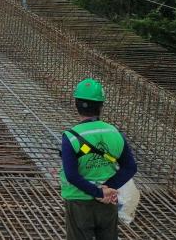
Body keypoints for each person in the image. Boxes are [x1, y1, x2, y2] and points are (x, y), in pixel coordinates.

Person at [60, 78, 137, 240]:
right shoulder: (114, 133)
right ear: (101, 106)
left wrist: (96, 192)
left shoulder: (71, 137)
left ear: (76, 104)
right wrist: (107, 188)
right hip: (107, 202)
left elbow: (71, 175)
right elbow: (130, 167)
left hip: (78, 201)